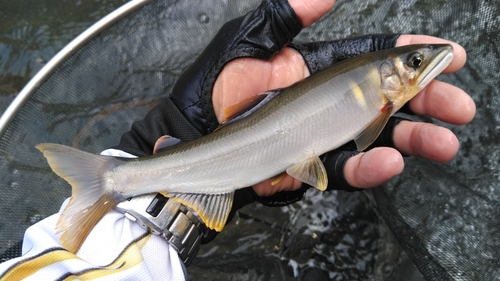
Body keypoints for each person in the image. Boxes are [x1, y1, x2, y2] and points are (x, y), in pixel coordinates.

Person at [0, 0, 475, 280]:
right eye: (413, 65)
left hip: (174, 177)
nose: (420, 67)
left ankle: (121, 178)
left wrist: (154, 156)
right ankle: (116, 180)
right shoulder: (377, 103)